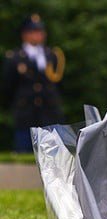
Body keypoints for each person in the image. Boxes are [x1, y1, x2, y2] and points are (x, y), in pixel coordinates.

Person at [2, 14, 65, 153]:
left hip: (49, 113)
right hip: (26, 114)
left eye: (40, 31)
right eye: (34, 32)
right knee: (23, 151)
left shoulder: (52, 55)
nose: (38, 35)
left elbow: (59, 85)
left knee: (52, 155)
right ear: (25, 35)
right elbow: (8, 87)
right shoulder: (15, 57)